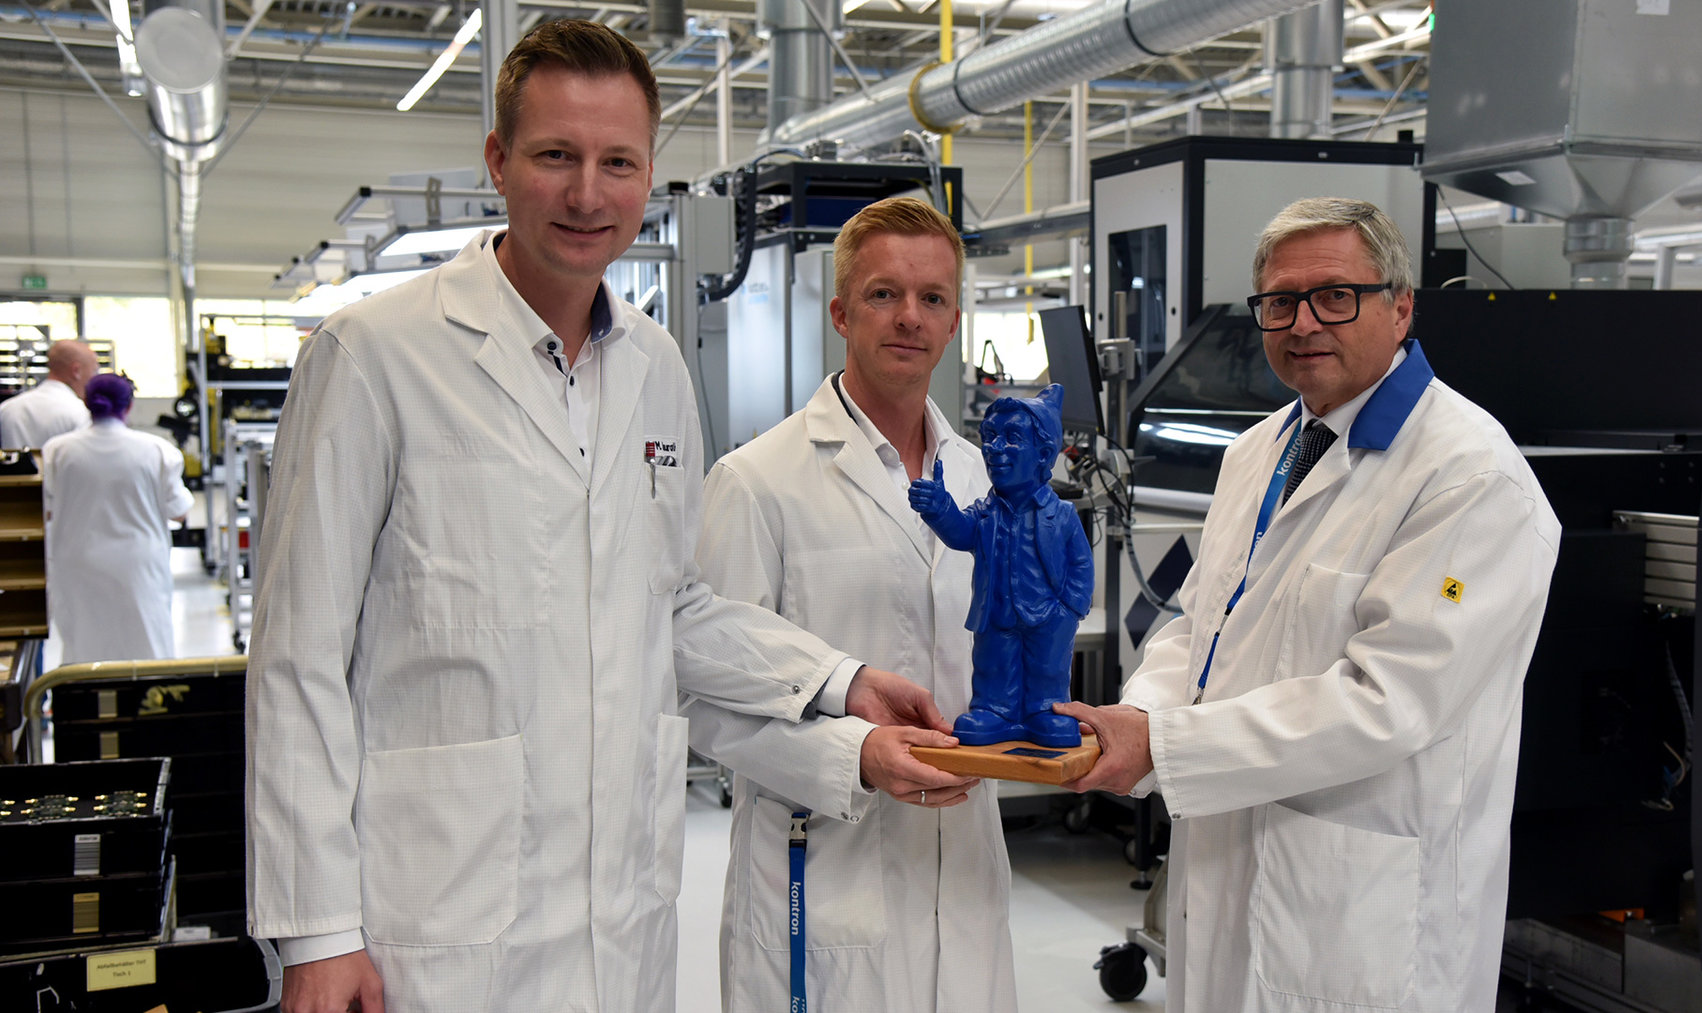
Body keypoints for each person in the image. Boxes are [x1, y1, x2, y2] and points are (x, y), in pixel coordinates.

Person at [245, 21, 946, 1013]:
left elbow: (672, 604)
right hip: (432, 916)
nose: (587, 194)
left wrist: (840, 679)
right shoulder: (375, 355)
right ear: (498, 161)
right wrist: (318, 931)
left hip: (621, 909)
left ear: (649, 174)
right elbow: (297, 655)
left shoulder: (656, 368)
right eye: (555, 156)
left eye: (617, 162)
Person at [1059, 197, 1561, 1013]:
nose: (1303, 323)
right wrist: (1140, 717)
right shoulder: (1258, 451)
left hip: (1361, 904)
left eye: (1336, 296)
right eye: (1280, 302)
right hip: (1227, 859)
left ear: (1401, 307)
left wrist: (1166, 744)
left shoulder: (1470, 476)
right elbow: (1198, 623)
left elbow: (1390, 700)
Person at [684, 196, 1017, 1013]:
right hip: (823, 860)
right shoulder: (757, 481)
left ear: (954, 321)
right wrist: (854, 756)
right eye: (883, 294)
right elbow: (702, 697)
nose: (909, 317)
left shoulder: (983, 478)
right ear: (840, 313)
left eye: (932, 298)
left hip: (964, 862)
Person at [909, 382, 1093, 748]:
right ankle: (995, 710)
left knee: (1048, 667)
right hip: (996, 613)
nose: (994, 448)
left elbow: (1080, 565)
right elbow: (961, 533)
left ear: (1044, 454)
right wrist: (940, 508)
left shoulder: (1061, 515)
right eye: (990, 437)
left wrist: (1068, 610)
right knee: (994, 663)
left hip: (1047, 616)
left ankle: (1045, 710)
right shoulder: (985, 511)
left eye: (1011, 438)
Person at [41, 373, 193, 664]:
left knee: (84, 647)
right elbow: (179, 511)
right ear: (129, 405)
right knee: (146, 644)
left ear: (86, 403)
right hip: (137, 566)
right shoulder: (158, 451)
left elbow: (46, 508)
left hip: (77, 563)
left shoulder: (56, 450)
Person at [1, 339, 98, 449]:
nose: (94, 378)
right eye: (94, 371)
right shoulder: (79, 412)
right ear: (76, 371)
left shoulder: (7, 409)